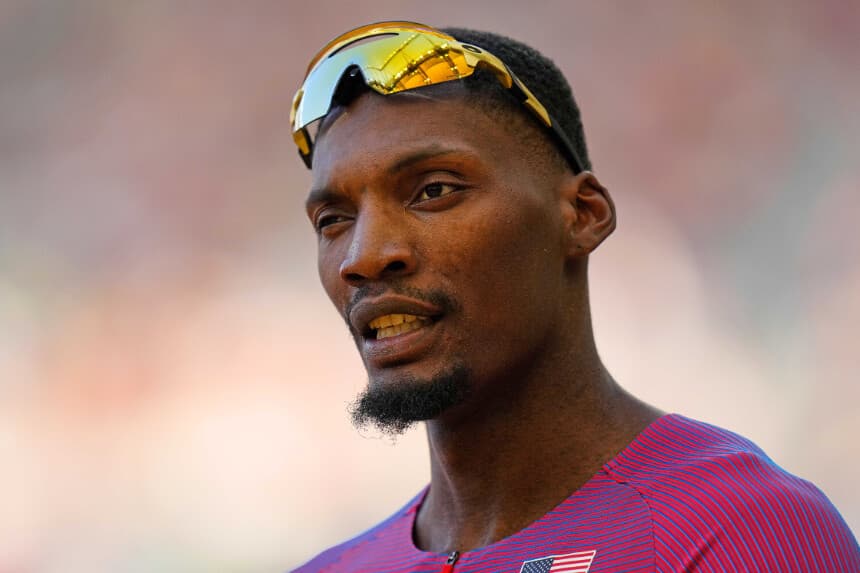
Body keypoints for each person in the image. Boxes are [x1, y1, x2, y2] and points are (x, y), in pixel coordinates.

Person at [289, 21, 860, 572]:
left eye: (434, 190)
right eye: (334, 220)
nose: (362, 257)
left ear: (582, 215)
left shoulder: (738, 531)